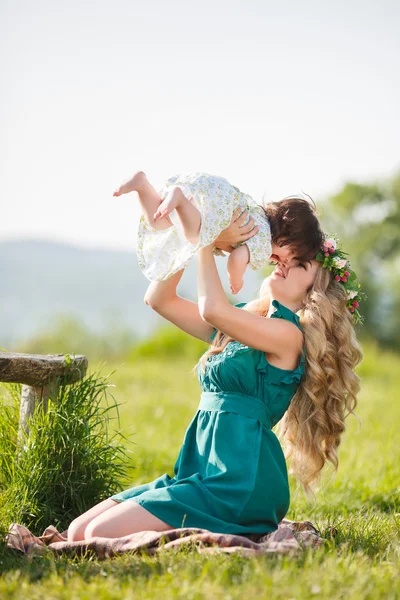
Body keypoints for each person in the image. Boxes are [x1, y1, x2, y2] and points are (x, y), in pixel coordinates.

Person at [67, 210, 363, 542]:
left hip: (240, 480)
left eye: (300, 265)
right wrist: (185, 237)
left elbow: (212, 310)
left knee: (96, 533)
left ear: (315, 291)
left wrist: (204, 239)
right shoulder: (244, 323)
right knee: (77, 531)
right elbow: (159, 299)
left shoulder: (288, 335)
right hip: (201, 470)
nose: (285, 263)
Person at [113, 170, 323, 293]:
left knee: (157, 222)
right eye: (292, 256)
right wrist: (236, 278)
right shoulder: (262, 240)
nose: (284, 263)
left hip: (210, 196)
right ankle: (178, 198)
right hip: (211, 211)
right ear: (286, 236)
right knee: (194, 235)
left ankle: (142, 185)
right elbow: (237, 259)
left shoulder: (258, 217)